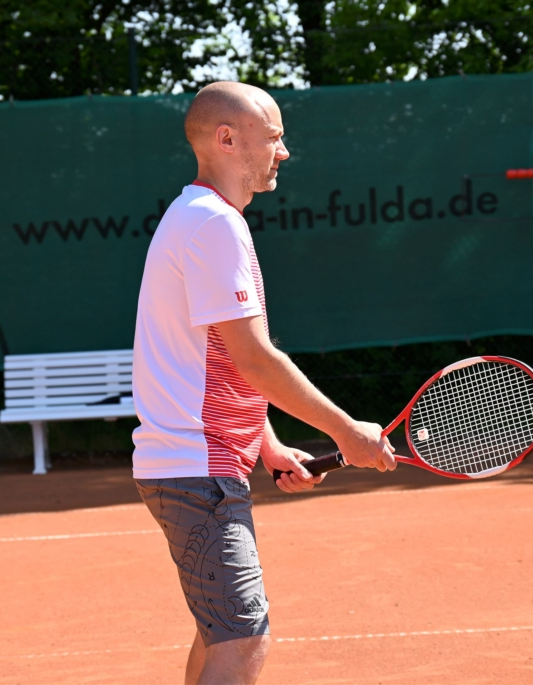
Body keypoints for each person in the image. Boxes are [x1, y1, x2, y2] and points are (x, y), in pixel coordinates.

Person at [131, 81, 397, 685]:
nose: (284, 151)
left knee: (219, 632)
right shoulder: (213, 224)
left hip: (193, 463)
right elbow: (254, 358)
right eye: (274, 137)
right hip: (197, 468)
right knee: (243, 639)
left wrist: (268, 445)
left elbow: (218, 357)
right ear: (227, 139)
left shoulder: (197, 216)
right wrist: (346, 431)